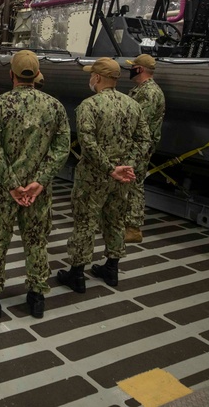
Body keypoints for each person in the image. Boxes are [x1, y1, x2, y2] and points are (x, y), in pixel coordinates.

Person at [0, 51, 71, 320]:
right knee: (37, 240)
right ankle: (37, 296)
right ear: (37, 74)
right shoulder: (55, 107)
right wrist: (39, 182)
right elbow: (62, 149)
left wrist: (13, 185)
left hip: (4, 190)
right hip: (38, 192)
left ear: (11, 75)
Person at [59, 57, 151, 293]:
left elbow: (87, 144)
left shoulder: (89, 106)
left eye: (92, 75)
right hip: (123, 178)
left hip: (93, 177)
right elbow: (144, 140)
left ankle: (77, 274)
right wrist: (126, 166)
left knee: (85, 222)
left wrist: (109, 168)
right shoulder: (133, 105)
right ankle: (111, 268)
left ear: (98, 77)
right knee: (115, 220)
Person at [124, 54, 166, 243]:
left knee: (134, 184)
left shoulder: (149, 93)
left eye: (133, 67)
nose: (131, 69)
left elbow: (139, 123)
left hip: (139, 147)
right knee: (129, 184)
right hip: (134, 145)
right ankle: (125, 223)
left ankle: (133, 228)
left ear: (139, 69)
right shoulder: (140, 89)